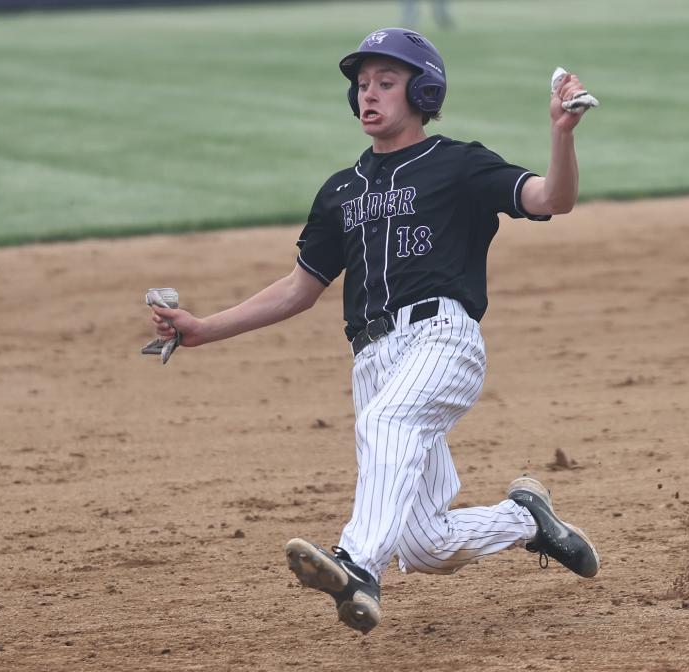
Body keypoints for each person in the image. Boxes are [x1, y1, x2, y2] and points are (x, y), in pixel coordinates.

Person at [149, 28, 600, 634]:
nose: (369, 94)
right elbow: (298, 288)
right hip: (373, 363)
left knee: (387, 424)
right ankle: (529, 521)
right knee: (427, 545)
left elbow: (553, 199)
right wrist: (205, 327)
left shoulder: (457, 163)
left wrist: (560, 135)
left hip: (442, 339)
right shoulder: (341, 191)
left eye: (386, 82)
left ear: (424, 90)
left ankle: (357, 565)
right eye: (362, 85)